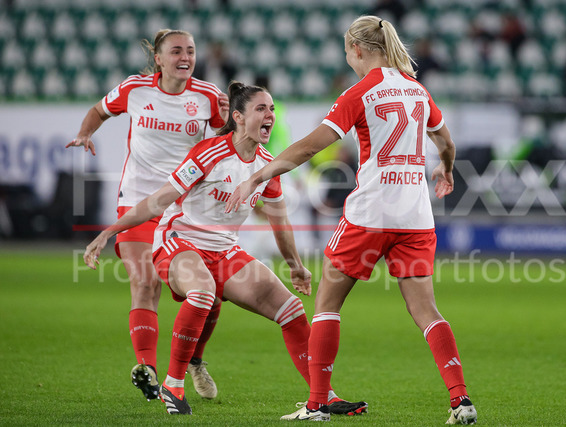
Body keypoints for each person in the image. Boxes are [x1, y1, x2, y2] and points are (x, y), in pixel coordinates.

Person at [226, 16, 477, 424]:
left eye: (348, 53)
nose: (349, 60)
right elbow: (446, 141)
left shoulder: (359, 92)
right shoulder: (418, 90)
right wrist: (445, 169)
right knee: (427, 311)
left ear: (357, 49)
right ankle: (460, 398)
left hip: (370, 215)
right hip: (415, 217)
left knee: (327, 304)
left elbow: (310, 147)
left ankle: (316, 404)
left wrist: (258, 175)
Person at [82, 82, 368, 416]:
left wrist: (296, 266)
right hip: (178, 242)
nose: (269, 115)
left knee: (291, 310)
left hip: (224, 251)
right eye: (261, 109)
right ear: (238, 117)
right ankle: (173, 384)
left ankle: (322, 396)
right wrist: (109, 232)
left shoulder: (267, 166)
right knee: (203, 292)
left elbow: (280, 222)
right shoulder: (209, 152)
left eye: (272, 109)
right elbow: (159, 200)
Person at [66, 29, 229, 402]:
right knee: (144, 284)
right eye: (176, 51)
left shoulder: (208, 96)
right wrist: (85, 133)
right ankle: (148, 371)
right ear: (158, 58)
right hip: (138, 202)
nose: (185, 57)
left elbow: (224, 141)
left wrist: (227, 123)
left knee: (212, 292)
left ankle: (195, 360)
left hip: (186, 207)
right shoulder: (134, 89)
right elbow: (99, 110)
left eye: (190, 51)